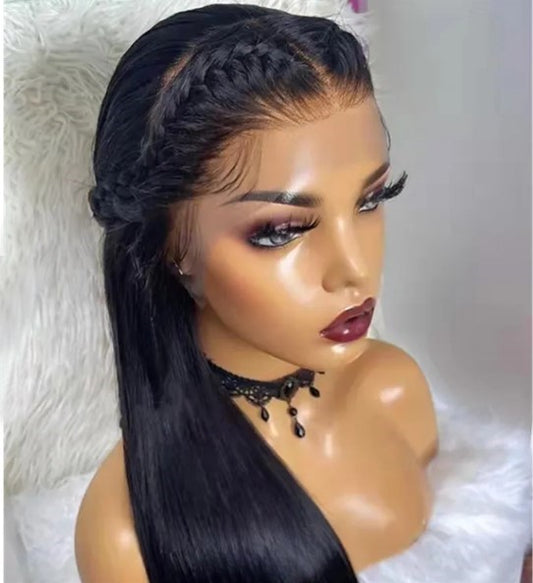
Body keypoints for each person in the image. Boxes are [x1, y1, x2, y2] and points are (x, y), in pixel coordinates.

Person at [74, 3, 439, 582]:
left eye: (371, 200)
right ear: (171, 248)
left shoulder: (395, 390)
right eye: (281, 231)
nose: (354, 271)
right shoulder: (126, 534)